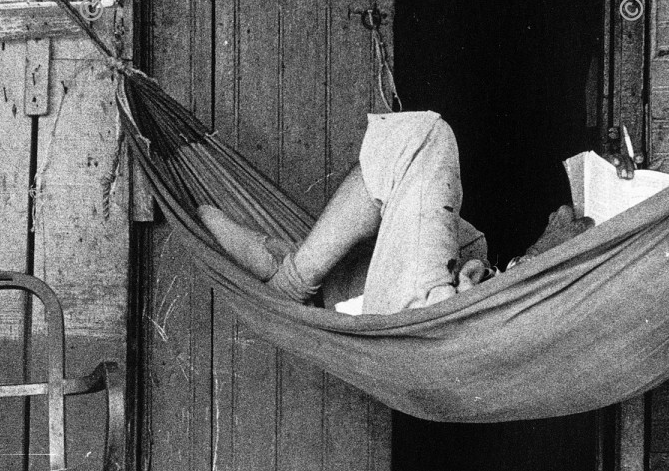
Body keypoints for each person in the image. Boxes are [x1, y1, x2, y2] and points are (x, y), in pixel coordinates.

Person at [199, 110, 588, 316]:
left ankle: (290, 280)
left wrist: (541, 255)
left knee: (423, 138)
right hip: (451, 319)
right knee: (469, 245)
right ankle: (296, 270)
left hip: (439, 325)